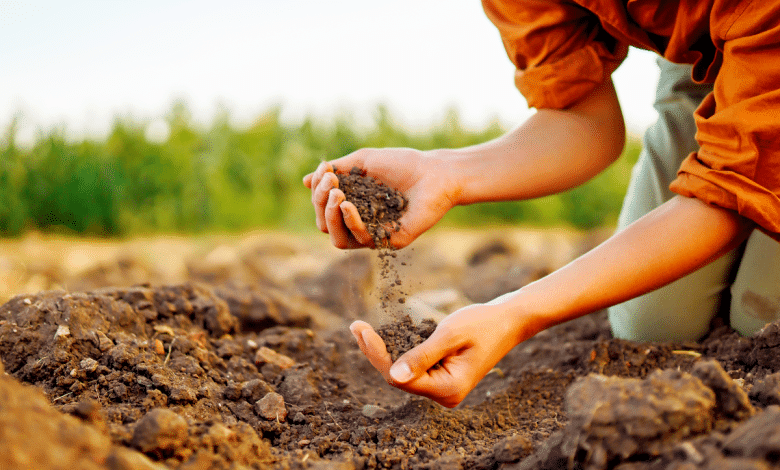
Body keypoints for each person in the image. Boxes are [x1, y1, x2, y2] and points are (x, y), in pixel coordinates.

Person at [303, 0, 780, 408]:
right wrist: (446, 173)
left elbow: (730, 188)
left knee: (761, 322)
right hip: (706, 57)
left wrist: (518, 313)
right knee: (655, 327)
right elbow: (584, 121)